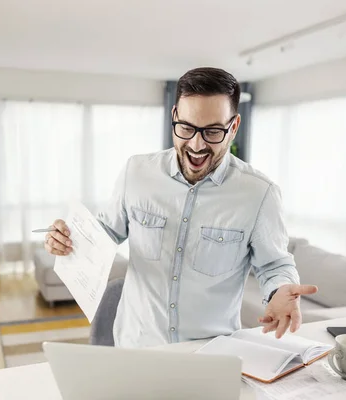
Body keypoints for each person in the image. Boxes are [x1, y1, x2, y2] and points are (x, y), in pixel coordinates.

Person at [44, 67, 318, 348]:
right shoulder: (136, 172)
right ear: (174, 116)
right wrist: (67, 239)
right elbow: (103, 232)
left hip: (211, 351)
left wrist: (282, 288)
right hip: (136, 346)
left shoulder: (260, 193)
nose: (197, 145)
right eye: (186, 128)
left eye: (212, 131)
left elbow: (274, 263)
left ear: (234, 126)